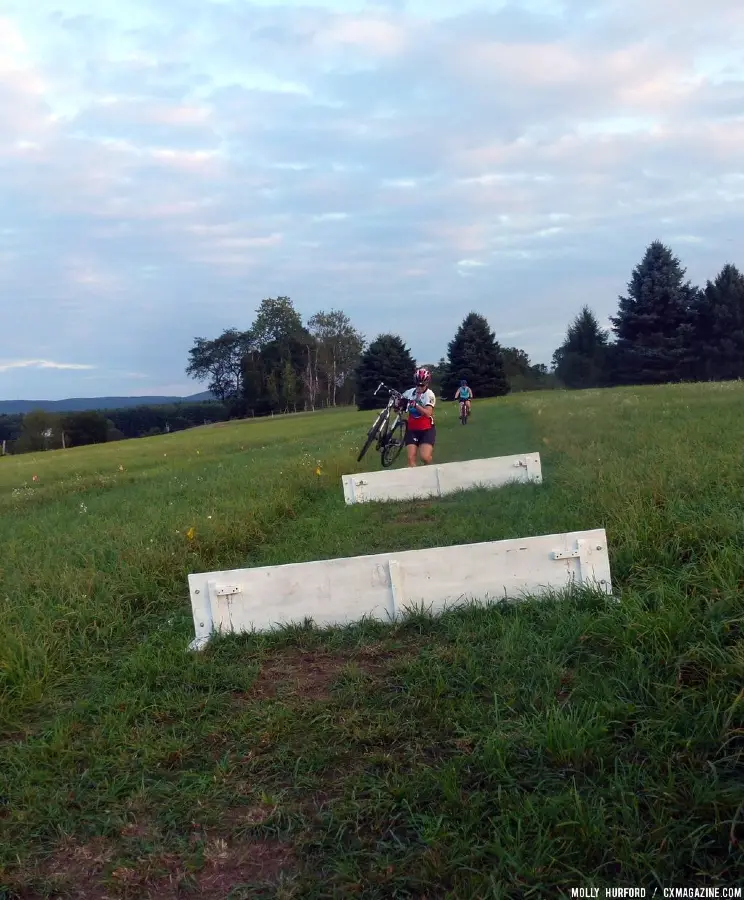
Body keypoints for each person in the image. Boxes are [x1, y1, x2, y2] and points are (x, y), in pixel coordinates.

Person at [398, 367, 437, 467]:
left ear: (427, 384)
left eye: (422, 385)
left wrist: (416, 405)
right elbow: (399, 402)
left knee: (425, 457)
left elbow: (428, 413)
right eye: (417, 384)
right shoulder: (410, 392)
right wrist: (398, 405)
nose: (419, 387)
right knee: (411, 459)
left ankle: (429, 467)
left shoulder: (430, 395)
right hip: (412, 429)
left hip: (426, 429)